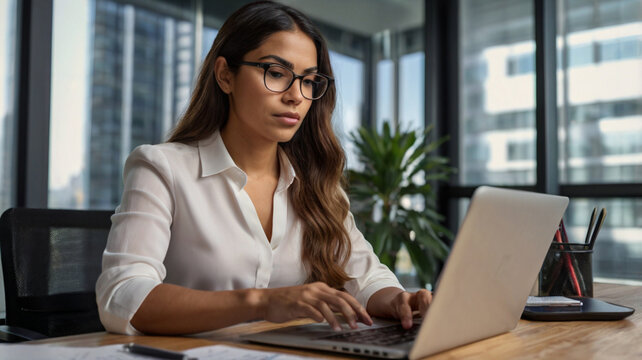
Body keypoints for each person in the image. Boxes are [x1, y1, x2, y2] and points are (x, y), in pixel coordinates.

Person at [95, 0, 432, 336]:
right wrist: (261, 302)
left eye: (309, 80)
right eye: (276, 73)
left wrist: (400, 300)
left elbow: (367, 277)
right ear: (225, 75)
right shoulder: (162, 168)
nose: (296, 96)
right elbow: (123, 296)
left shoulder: (316, 184)